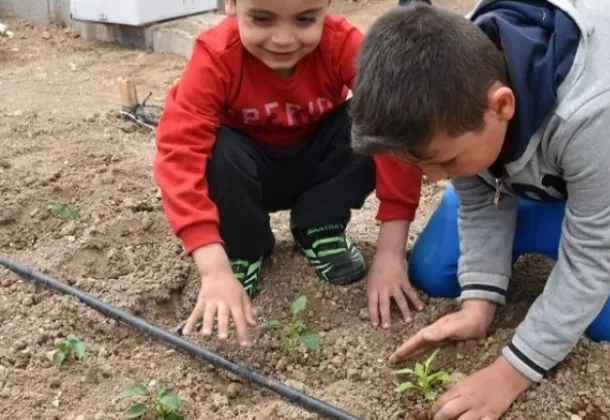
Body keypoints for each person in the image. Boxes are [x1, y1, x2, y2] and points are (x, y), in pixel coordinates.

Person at [349, 1, 610, 419]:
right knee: (435, 271)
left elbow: (595, 255)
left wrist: (509, 374)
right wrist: (478, 304)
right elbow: (478, 195)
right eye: (422, 165)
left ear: (502, 106)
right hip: (537, 158)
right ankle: (568, 197)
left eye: (445, 163)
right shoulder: (453, 84)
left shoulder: (593, 107)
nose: (434, 178)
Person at [153, 0, 424, 346]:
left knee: (372, 118)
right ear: (232, 4)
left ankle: (318, 223)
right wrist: (213, 269)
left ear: (326, 5)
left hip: (319, 167)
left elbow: (394, 127)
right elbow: (179, 154)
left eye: (305, 19)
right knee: (214, 147)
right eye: (262, 19)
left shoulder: (343, 45)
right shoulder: (216, 56)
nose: (284, 39)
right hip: (244, 173)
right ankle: (243, 248)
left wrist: (390, 254)